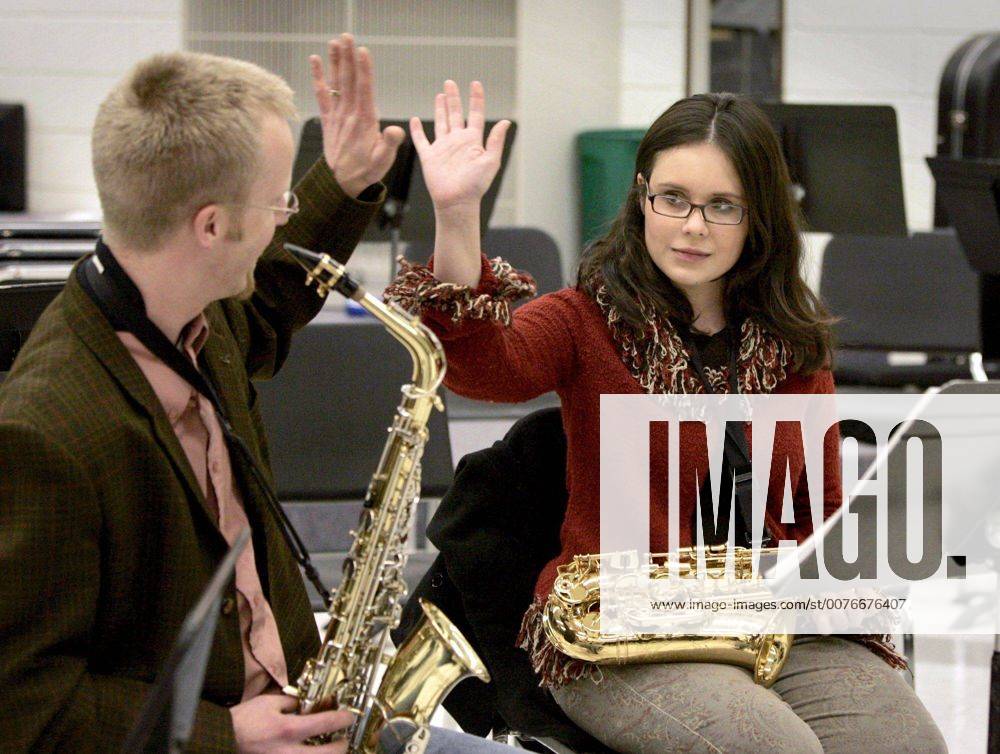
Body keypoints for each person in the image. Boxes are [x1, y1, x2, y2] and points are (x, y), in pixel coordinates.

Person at [384, 83, 948, 753]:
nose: (692, 226)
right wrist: (456, 215)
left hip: (766, 616)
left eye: (722, 207)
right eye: (672, 199)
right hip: (616, 628)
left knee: (906, 744)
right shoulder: (584, 318)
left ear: (759, 216)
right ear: (643, 196)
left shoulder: (791, 337)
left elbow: (816, 510)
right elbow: (484, 364)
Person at [0, 39, 514, 754]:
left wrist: (341, 181)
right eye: (281, 200)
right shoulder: (48, 430)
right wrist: (225, 735)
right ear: (212, 227)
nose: (285, 217)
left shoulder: (187, 312)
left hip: (296, 705)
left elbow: (268, 296)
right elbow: (21, 703)